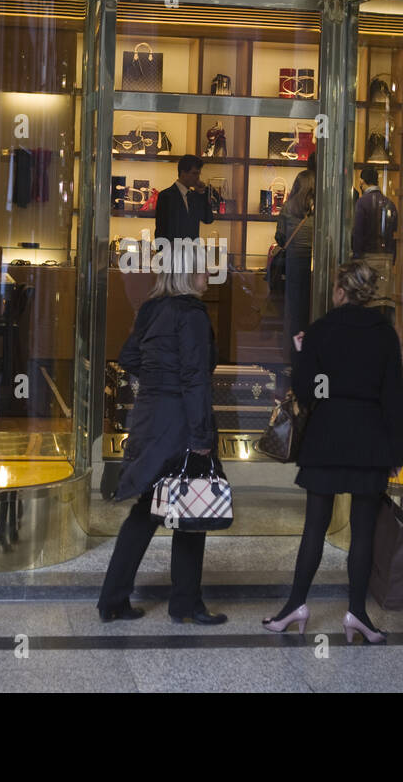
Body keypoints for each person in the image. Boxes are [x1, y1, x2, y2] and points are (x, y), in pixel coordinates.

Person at [263, 260, 403, 643]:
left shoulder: (321, 332)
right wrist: (395, 452)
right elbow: (394, 398)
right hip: (370, 441)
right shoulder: (384, 334)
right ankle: (357, 614)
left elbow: (310, 394)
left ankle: (295, 605)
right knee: (362, 534)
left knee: (314, 528)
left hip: (326, 438)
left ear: (341, 291)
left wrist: (300, 354)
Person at [96, 241, 227, 625]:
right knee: (192, 511)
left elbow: (129, 357)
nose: (208, 273)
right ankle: (186, 605)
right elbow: (195, 379)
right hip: (183, 423)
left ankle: (112, 601)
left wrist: (157, 380)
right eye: (203, 268)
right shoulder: (193, 315)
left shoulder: (152, 309)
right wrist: (202, 436)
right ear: (188, 272)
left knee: (145, 512)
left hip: (150, 420)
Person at [276, 154, 315, 359]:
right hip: (315, 267)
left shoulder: (287, 208)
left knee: (295, 314)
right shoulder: (320, 210)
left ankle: (296, 354)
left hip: (294, 266)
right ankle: (311, 354)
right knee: (314, 311)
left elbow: (280, 237)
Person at [154, 154, 215, 241]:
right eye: (194, 173)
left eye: (198, 173)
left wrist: (202, 193)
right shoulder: (166, 196)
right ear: (183, 173)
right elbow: (161, 230)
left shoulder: (195, 196)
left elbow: (208, 219)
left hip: (192, 251)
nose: (198, 178)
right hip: (172, 251)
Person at [352, 168, 398, 260]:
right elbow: (394, 231)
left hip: (367, 257)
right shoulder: (389, 203)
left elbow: (358, 232)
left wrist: (356, 255)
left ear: (361, 181)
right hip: (386, 257)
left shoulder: (361, 203)